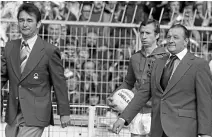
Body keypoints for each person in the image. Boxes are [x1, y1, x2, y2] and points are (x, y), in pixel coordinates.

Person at [112, 24, 212, 137]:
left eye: (175, 37)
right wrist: (123, 117)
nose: (171, 40)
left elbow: (205, 102)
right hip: (157, 129)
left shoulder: (199, 64)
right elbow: (143, 93)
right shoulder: (157, 63)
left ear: (186, 41)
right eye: (169, 37)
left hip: (184, 130)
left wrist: (205, 133)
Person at [1, 3, 71, 137]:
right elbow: (2, 77)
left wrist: (64, 112)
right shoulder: (10, 47)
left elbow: (59, 84)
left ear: (38, 24)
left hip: (36, 113)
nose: (24, 24)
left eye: (29, 20)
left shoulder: (50, 51)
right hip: (13, 112)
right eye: (21, 20)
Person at [108, 19, 168, 137]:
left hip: (157, 112)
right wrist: (113, 96)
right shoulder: (134, 58)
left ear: (157, 35)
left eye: (148, 33)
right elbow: (128, 82)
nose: (144, 36)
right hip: (137, 110)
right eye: (142, 33)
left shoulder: (165, 58)